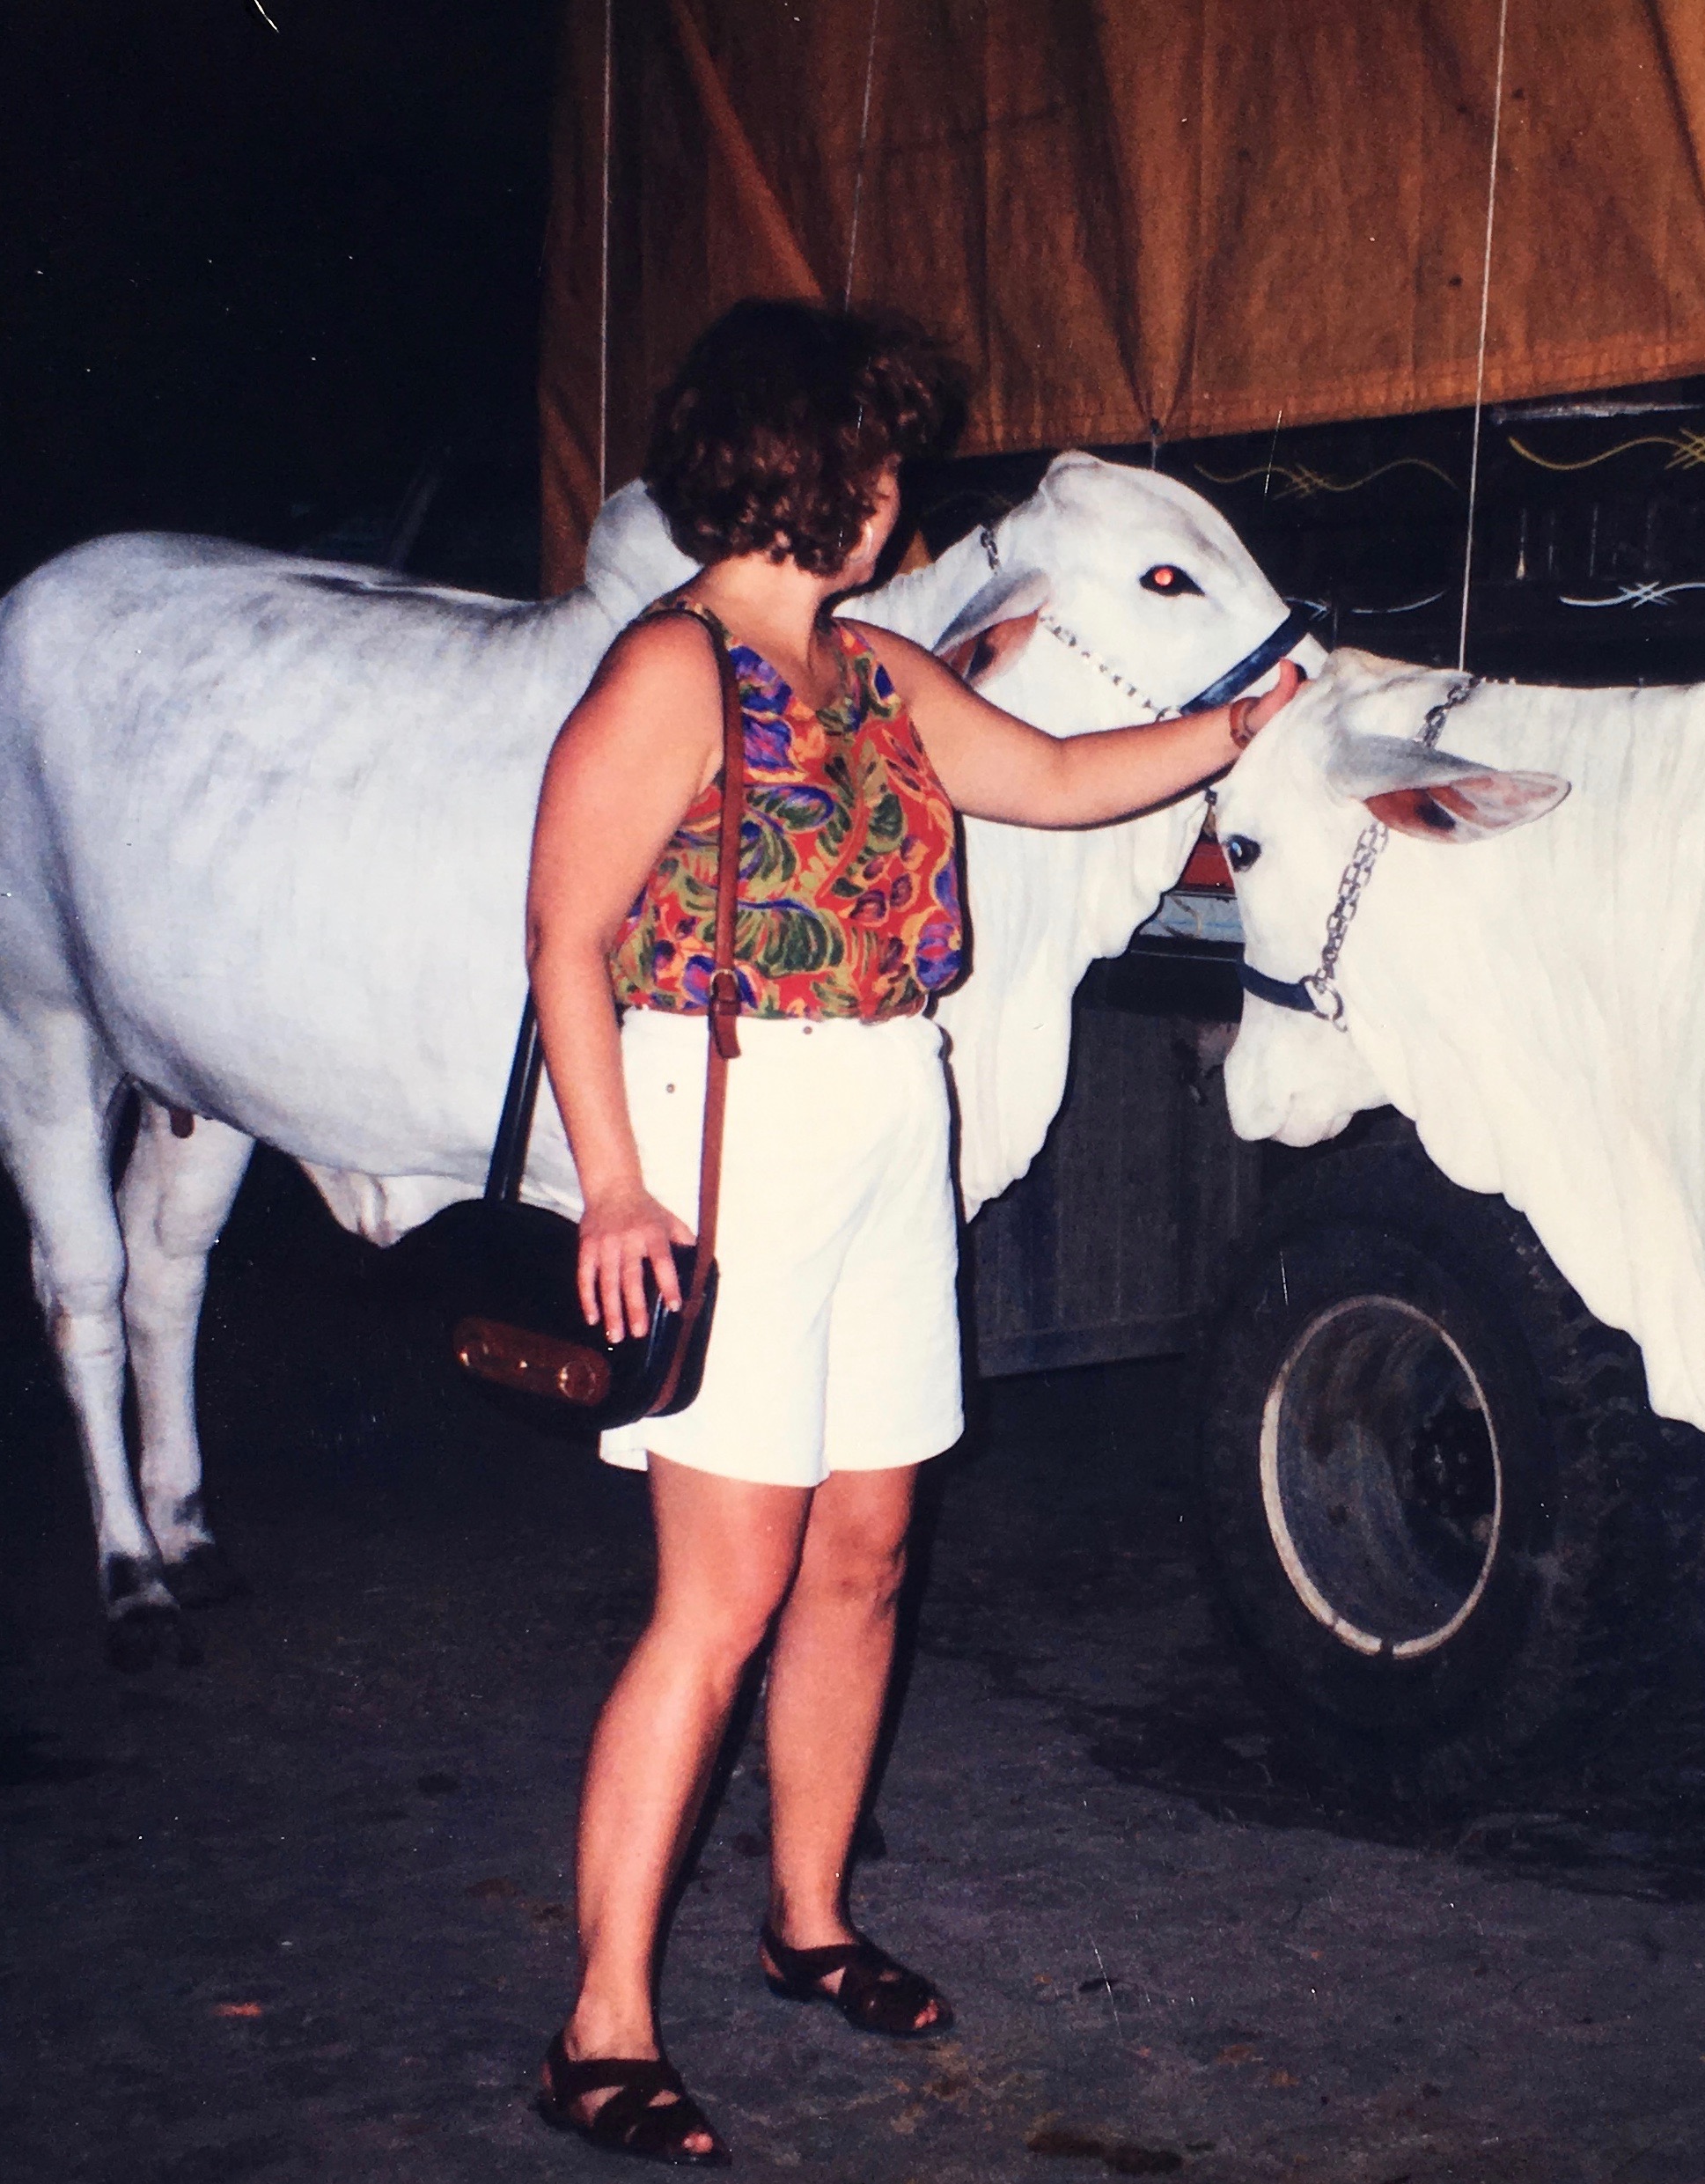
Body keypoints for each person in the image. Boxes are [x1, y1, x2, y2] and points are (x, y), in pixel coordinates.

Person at [522, 298, 1302, 2167]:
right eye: (876, 459)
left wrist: (1234, 723)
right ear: (814, 473)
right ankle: (599, 2021)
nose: (893, 491)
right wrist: (615, 1182)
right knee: (717, 1598)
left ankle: (810, 1920)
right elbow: (562, 934)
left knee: (862, 1552)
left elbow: (1045, 780)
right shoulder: (669, 675)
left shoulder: (876, 675)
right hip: (730, 1125)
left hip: (887, 1110)